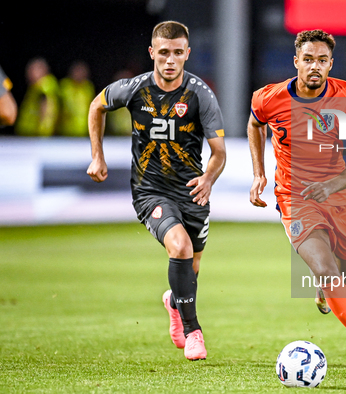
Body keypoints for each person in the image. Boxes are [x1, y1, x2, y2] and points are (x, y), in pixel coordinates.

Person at [247, 29, 346, 380]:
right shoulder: (268, 98)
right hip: (295, 198)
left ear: (331, 64)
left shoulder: (344, 96)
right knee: (329, 272)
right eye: (309, 59)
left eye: (323, 60)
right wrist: (259, 174)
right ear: (296, 61)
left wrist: (329, 186)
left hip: (341, 197)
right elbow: (255, 124)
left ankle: (324, 285)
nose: (315, 66)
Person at [87, 21, 226, 361]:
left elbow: (219, 153)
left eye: (178, 53)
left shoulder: (200, 94)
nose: (170, 60)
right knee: (178, 247)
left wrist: (208, 179)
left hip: (193, 192)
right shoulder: (134, 89)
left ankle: (174, 303)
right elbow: (97, 106)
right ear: (152, 53)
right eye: (163, 53)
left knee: (189, 273)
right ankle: (195, 333)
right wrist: (97, 156)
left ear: (187, 54)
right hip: (150, 191)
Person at [15, 58, 60, 136]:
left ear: (43, 70)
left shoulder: (43, 86)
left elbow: (45, 107)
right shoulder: (35, 86)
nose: (29, 73)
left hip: (36, 134)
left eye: (32, 70)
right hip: (30, 133)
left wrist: (41, 129)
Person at [59, 61, 95, 136]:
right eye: (77, 71)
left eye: (82, 72)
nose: (79, 74)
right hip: (65, 129)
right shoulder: (65, 86)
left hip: (83, 129)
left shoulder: (88, 87)